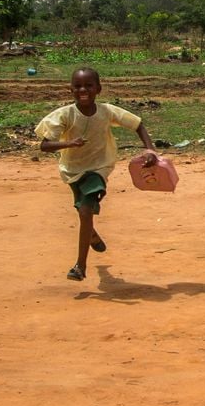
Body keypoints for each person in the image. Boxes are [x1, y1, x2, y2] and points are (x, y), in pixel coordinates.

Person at [35, 67, 158, 282]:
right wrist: (68, 143)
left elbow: (138, 124)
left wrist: (150, 149)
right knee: (84, 212)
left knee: (85, 210)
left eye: (89, 85)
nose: (83, 90)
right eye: (78, 86)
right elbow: (44, 146)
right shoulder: (64, 115)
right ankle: (90, 233)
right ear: (70, 89)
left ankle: (80, 266)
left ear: (98, 89)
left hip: (99, 167)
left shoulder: (107, 111)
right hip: (72, 170)